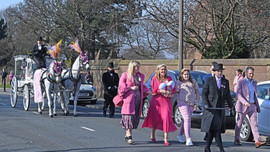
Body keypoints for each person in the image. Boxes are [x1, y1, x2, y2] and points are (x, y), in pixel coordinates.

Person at [142, 64, 177, 146]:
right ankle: (153, 133)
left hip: (166, 101)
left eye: (164, 69)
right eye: (162, 69)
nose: (163, 71)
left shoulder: (169, 78)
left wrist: (170, 92)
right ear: (158, 70)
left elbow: (173, 88)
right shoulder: (155, 78)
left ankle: (166, 138)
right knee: (155, 118)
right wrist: (161, 91)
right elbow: (154, 89)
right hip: (157, 101)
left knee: (166, 118)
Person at [201, 63, 233, 152]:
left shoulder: (225, 82)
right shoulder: (209, 80)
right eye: (218, 71)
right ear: (214, 72)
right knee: (216, 128)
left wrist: (231, 106)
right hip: (211, 109)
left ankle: (207, 147)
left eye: (221, 71)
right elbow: (204, 94)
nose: (219, 73)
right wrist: (206, 104)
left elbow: (227, 95)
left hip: (220, 109)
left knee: (213, 129)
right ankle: (221, 148)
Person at [118, 60, 150, 145]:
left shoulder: (140, 76)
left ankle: (127, 134)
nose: (138, 68)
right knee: (129, 117)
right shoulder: (125, 75)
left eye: (139, 67)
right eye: (137, 67)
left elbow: (142, 86)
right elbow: (121, 86)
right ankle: (129, 136)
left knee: (134, 117)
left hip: (137, 99)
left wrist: (148, 91)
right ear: (132, 67)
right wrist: (130, 88)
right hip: (129, 99)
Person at [234, 67, 265, 148]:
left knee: (254, 123)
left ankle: (257, 141)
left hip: (252, 105)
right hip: (242, 106)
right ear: (246, 73)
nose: (251, 75)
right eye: (250, 73)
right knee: (239, 124)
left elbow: (255, 94)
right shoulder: (241, 82)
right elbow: (238, 94)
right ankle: (236, 139)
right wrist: (245, 102)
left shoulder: (255, 82)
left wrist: (255, 105)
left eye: (252, 73)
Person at [175, 69, 200, 146]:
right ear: (182, 75)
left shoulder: (193, 82)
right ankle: (188, 138)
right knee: (187, 119)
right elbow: (176, 91)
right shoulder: (179, 82)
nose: (186, 76)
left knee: (185, 120)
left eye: (187, 74)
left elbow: (197, 92)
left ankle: (180, 135)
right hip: (182, 103)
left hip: (191, 103)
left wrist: (197, 102)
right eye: (185, 74)